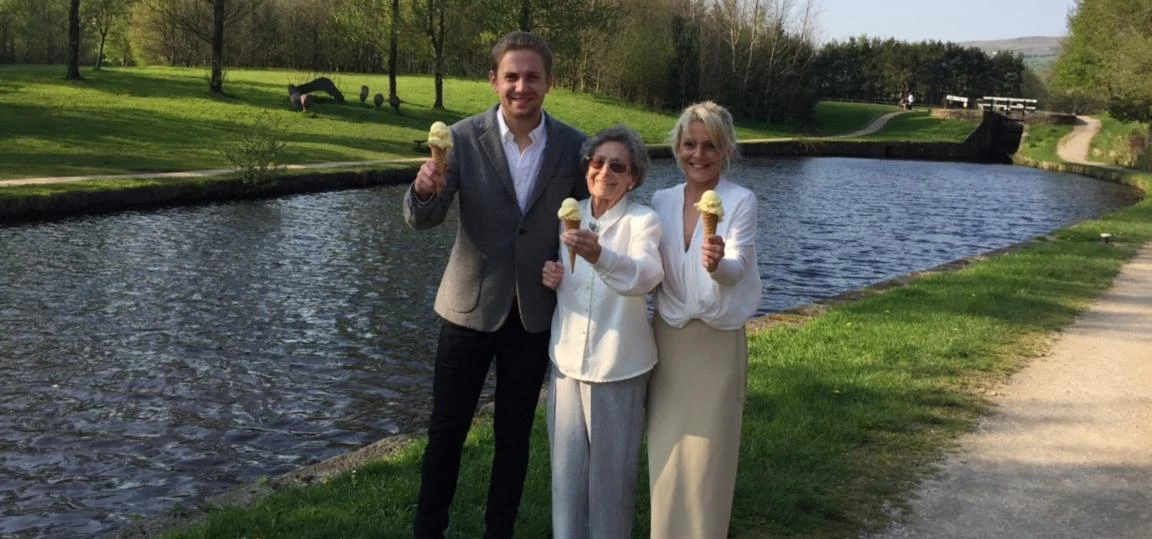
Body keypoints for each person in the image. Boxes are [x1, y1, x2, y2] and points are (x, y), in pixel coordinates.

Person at [402, 30, 588, 539]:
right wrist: (422, 192)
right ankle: (427, 530)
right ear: (493, 81)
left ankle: (498, 531)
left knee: (514, 436)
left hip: (533, 313)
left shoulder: (574, 147)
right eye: (511, 76)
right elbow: (427, 218)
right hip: (466, 307)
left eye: (532, 76)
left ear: (549, 82)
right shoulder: (461, 139)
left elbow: (588, 222)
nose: (521, 86)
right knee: (445, 433)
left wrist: (569, 265)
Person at [540, 126, 663, 539]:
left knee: (611, 482)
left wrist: (600, 255)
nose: (605, 171)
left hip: (619, 365)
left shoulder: (643, 221)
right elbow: (563, 278)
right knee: (567, 478)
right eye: (598, 162)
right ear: (587, 167)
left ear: (634, 177)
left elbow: (645, 277)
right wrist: (552, 274)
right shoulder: (569, 210)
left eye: (618, 166)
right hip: (567, 362)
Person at [646, 101, 762, 538]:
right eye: (690, 144)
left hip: (716, 344)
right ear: (677, 148)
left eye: (710, 146)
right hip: (668, 342)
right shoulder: (660, 200)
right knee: (668, 454)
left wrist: (717, 264)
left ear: (726, 150)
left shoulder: (740, 201)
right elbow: (646, 268)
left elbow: (737, 268)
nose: (699, 155)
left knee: (708, 461)